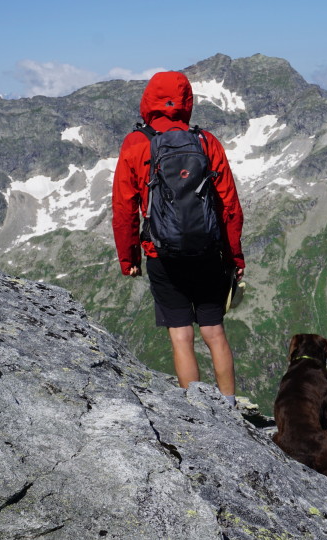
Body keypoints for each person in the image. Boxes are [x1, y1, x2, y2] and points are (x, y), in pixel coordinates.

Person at [111, 71, 245, 406]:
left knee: (182, 336)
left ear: (148, 101)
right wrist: (234, 258)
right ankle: (229, 407)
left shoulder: (135, 144)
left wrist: (129, 260)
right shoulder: (204, 141)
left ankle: (199, 412)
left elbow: (124, 209)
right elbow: (229, 205)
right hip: (208, 253)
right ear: (187, 102)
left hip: (161, 254)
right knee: (214, 332)